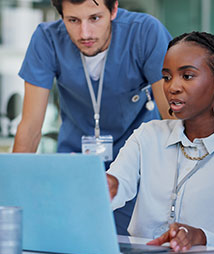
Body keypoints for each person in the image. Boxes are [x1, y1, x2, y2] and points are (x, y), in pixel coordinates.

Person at [13, 0, 172, 235]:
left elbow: (173, 118)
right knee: (71, 244)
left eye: (95, 18)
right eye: (73, 20)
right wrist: (12, 204)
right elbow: (30, 128)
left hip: (137, 171)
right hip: (76, 171)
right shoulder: (47, 40)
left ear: (114, 9)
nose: (84, 33)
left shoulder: (145, 32)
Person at [106, 31, 214, 251]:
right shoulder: (147, 135)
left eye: (187, 76)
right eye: (167, 77)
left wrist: (201, 237)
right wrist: (105, 187)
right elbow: (116, 186)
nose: (172, 87)